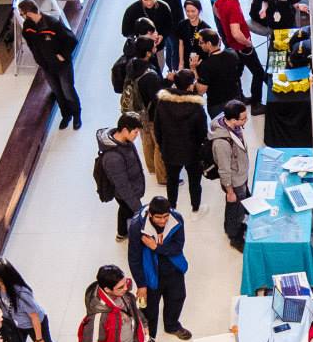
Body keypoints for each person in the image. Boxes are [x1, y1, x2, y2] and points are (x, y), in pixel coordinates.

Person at [132, 196, 190, 341]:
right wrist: (141, 284)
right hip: (150, 272)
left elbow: (177, 247)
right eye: (159, 217)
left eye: (166, 216)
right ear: (150, 214)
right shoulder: (137, 227)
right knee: (149, 309)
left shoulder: (176, 219)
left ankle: (172, 325)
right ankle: (148, 339)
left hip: (173, 268)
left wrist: (156, 247)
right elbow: (134, 258)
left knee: (177, 298)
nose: (163, 221)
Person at [17, 0, 82, 128]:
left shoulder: (52, 24)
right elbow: (31, 44)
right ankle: (66, 115)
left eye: (21, 14)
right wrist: (38, 59)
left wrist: (62, 55)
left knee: (68, 90)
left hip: (62, 66)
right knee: (57, 91)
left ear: (28, 13)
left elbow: (72, 40)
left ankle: (76, 115)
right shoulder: (28, 28)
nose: (21, 16)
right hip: (46, 66)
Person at [152, 68, 208, 213]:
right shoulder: (196, 107)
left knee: (172, 181)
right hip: (192, 152)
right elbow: (202, 132)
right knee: (195, 182)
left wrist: (162, 145)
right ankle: (195, 207)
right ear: (190, 85)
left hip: (170, 150)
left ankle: (172, 208)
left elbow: (157, 128)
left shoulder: (163, 103)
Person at [95, 111, 147, 241]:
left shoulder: (124, 141)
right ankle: (127, 234)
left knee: (124, 210)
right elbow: (123, 187)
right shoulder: (113, 158)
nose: (137, 136)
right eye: (135, 132)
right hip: (126, 194)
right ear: (124, 130)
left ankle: (121, 233)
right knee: (129, 212)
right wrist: (138, 207)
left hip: (130, 191)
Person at [210, 97, 251, 249]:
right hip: (234, 181)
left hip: (241, 175)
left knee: (238, 206)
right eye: (243, 118)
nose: (246, 120)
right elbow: (224, 169)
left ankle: (234, 227)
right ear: (233, 120)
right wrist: (229, 190)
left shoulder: (233, 127)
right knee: (235, 209)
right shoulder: (222, 143)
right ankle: (235, 237)